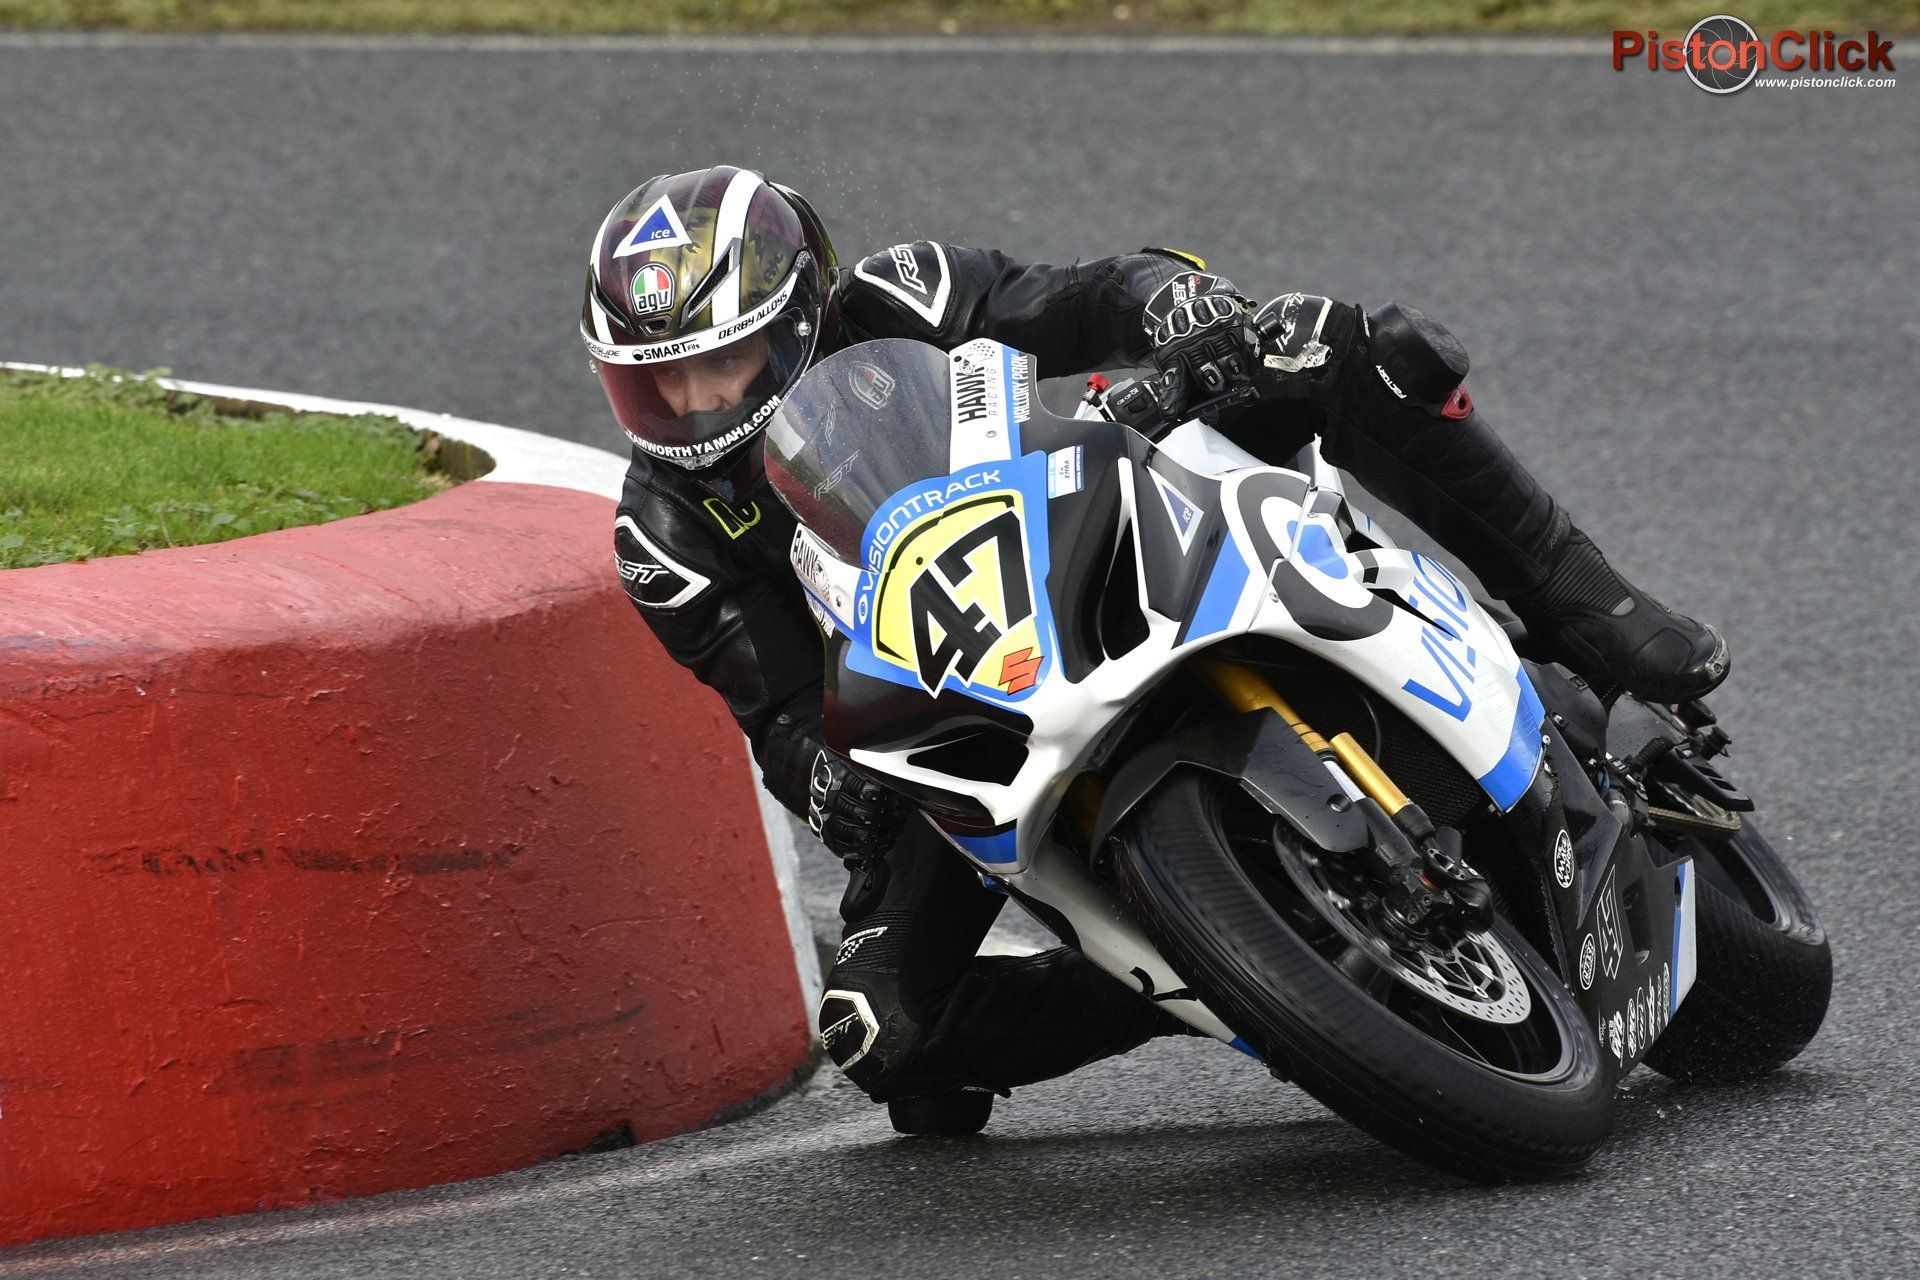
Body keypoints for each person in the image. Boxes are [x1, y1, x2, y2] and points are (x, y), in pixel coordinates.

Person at [581, 164, 1729, 1135]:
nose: (683, 404)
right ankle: (1194, 967)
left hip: (1091, 518)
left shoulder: (901, 295)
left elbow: (1087, 297)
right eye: (653, 382)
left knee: (1354, 346)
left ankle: (1593, 604)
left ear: (795, 320)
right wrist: (834, 787)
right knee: (884, 1033)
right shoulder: (663, 535)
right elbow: (778, 715)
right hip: (951, 697)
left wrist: (1182, 316)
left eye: (710, 367)